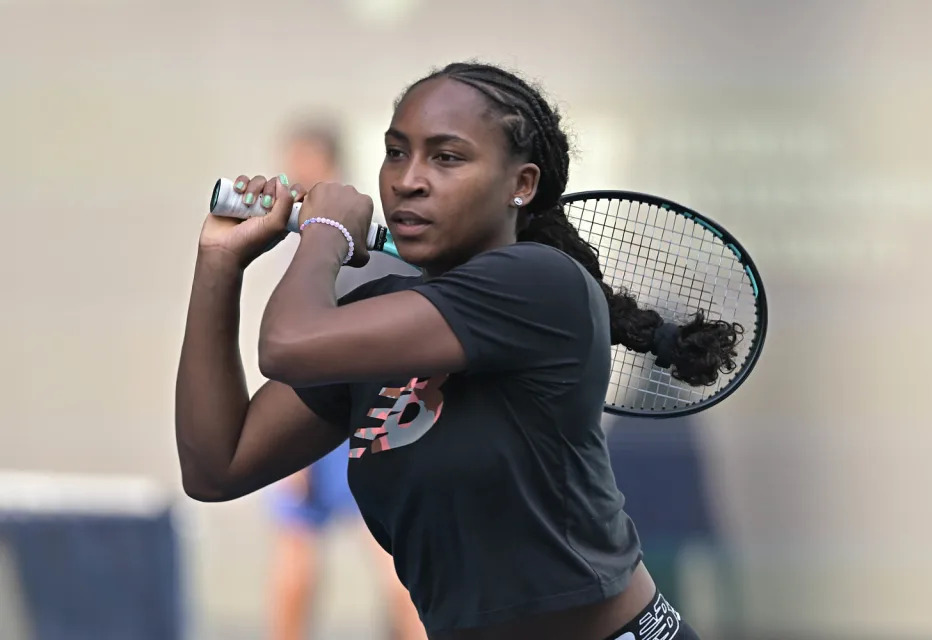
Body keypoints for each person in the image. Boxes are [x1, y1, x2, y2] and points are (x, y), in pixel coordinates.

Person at [176, 62, 741, 640]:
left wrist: (326, 233)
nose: (408, 180)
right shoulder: (380, 314)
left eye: (446, 157)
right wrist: (220, 261)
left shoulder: (540, 283)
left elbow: (287, 345)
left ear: (521, 184)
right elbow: (215, 467)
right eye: (396, 153)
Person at [263, 117, 425, 640]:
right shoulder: (310, 240)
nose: (291, 177)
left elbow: (309, 349)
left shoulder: (354, 250)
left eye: (303, 166)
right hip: (317, 426)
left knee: (396, 572)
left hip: (361, 426)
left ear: (329, 167)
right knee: (294, 566)